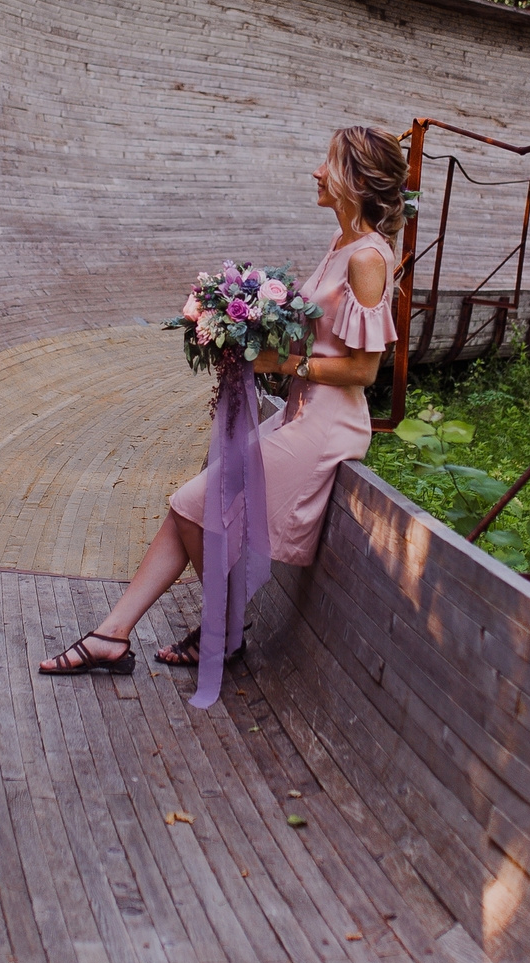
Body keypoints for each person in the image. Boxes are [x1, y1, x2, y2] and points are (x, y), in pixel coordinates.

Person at [39, 127, 407, 676]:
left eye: (327, 163)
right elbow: (317, 335)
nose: (316, 173)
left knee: (193, 504)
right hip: (300, 414)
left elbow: (365, 369)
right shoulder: (341, 246)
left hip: (328, 430)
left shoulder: (368, 260)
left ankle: (225, 631)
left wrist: (281, 363)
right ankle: (111, 635)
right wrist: (247, 331)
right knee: (181, 510)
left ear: (354, 179)